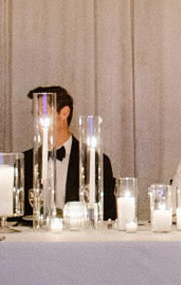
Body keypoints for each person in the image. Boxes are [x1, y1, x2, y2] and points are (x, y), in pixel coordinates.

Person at [21, 86, 116, 219]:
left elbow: (108, 214)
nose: (37, 121)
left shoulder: (94, 160)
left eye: (42, 113)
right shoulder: (25, 161)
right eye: (35, 114)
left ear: (64, 113)